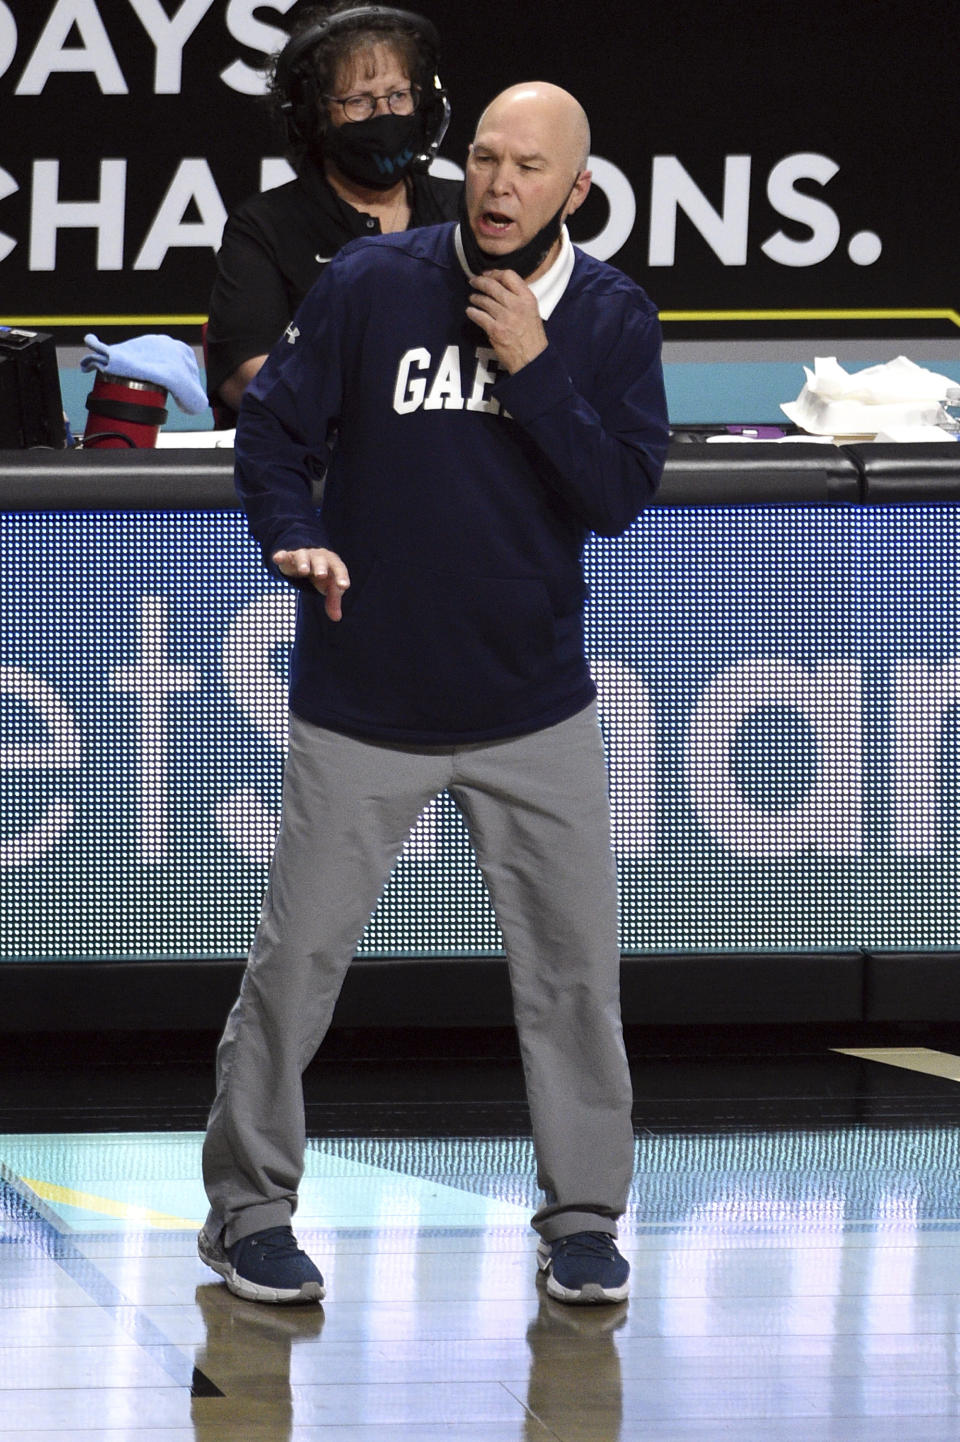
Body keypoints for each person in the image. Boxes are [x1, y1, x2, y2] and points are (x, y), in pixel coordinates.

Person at [199, 80, 670, 1308]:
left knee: (575, 976)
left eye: (533, 170)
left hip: (535, 708)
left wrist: (536, 365)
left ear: (578, 190)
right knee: (294, 965)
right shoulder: (373, 283)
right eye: (489, 160)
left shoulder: (613, 316)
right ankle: (249, 1213)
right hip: (363, 700)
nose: (502, 186)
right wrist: (293, 534)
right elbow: (273, 438)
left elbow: (618, 494)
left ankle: (582, 1221)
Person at [205, 2, 461, 417]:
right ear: (313, 116)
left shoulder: (464, 211)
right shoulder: (264, 227)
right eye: (359, 101)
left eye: (398, 96)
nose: (385, 115)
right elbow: (246, 375)